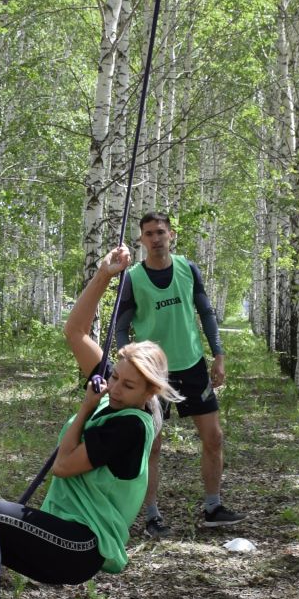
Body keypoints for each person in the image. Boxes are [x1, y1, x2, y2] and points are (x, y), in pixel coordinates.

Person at [0, 246, 176, 599]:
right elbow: (76, 332)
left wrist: (84, 408)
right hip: (58, 534)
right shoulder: (115, 397)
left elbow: (63, 466)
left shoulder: (130, 426)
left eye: (128, 385)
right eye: (114, 377)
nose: (115, 387)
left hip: (81, 546)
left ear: (150, 392)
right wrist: (105, 275)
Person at [111, 212, 241, 534]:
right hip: (153, 373)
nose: (155, 239)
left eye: (160, 232)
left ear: (171, 235)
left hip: (193, 365)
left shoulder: (187, 269)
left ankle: (213, 506)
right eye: (148, 234)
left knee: (214, 437)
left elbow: (207, 313)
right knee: (152, 445)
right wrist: (128, 361)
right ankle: (152, 516)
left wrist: (219, 355)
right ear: (141, 240)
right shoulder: (133, 278)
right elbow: (122, 326)